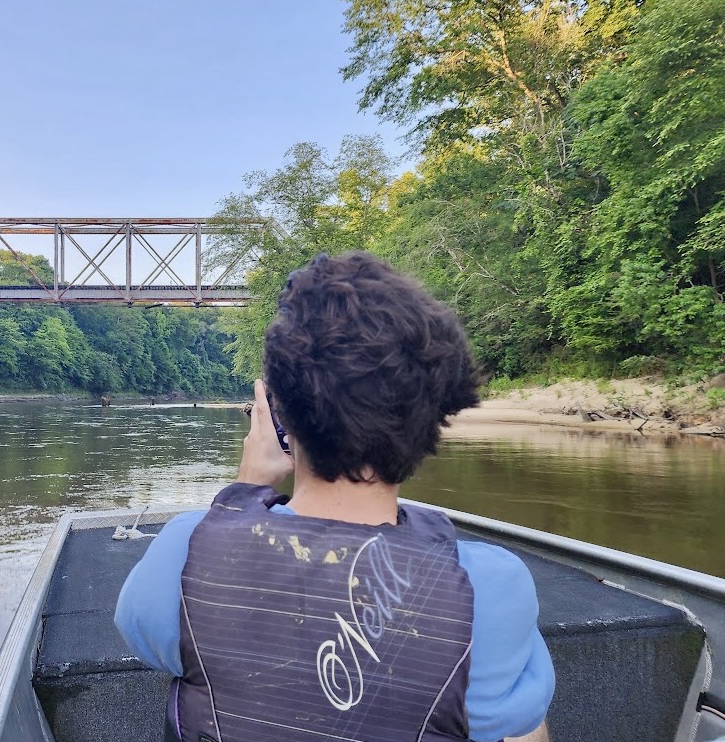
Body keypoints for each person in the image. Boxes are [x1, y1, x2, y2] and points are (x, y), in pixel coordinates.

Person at [115, 252, 555, 742]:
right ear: (434, 420)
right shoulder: (491, 587)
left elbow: (153, 636)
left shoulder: (183, 552)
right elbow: (510, 716)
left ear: (277, 413)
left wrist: (243, 492)